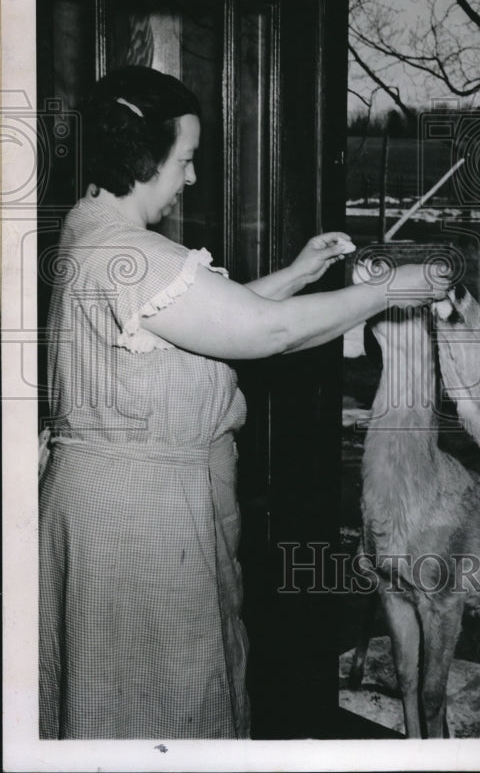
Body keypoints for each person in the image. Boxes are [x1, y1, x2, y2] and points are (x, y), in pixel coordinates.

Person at [39, 65, 448, 740]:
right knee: (158, 703)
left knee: (126, 702)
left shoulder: (96, 232)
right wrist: (385, 293)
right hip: (136, 522)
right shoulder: (132, 254)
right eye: (186, 159)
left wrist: (297, 273)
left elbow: (199, 318)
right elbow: (268, 333)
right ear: (143, 161)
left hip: (116, 507)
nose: (192, 177)